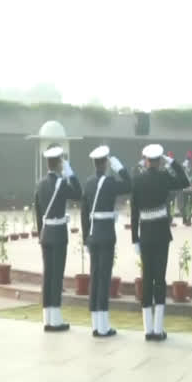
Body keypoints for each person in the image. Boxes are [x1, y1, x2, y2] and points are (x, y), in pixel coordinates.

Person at [131, 144, 191, 341]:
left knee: (146, 278)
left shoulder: (137, 180)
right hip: (161, 234)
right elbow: (184, 180)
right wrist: (171, 161)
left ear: (145, 160)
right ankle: (158, 328)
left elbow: (133, 213)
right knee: (159, 279)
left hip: (146, 234)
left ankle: (148, 329)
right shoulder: (165, 177)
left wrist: (134, 238)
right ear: (159, 160)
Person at [80, 145, 131, 338]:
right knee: (103, 279)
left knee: (95, 277)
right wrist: (120, 168)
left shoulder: (89, 183)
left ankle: (95, 324)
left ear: (94, 164)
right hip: (106, 235)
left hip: (93, 236)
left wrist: (85, 238)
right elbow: (129, 185)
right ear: (105, 163)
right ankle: (103, 326)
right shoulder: (109, 182)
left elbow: (84, 214)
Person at [34, 146, 83, 332]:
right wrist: (70, 172)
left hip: (45, 233)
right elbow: (78, 194)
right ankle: (55, 320)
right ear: (59, 163)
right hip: (58, 234)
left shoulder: (40, 184)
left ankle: (47, 318)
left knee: (48, 275)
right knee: (56, 276)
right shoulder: (61, 183)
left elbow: (38, 212)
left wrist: (41, 234)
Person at [178, 151, 192, 226]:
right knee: (189, 204)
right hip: (189, 187)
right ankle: (188, 220)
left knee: (185, 204)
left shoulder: (183, 164)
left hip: (185, 187)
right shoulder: (190, 165)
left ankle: (185, 219)